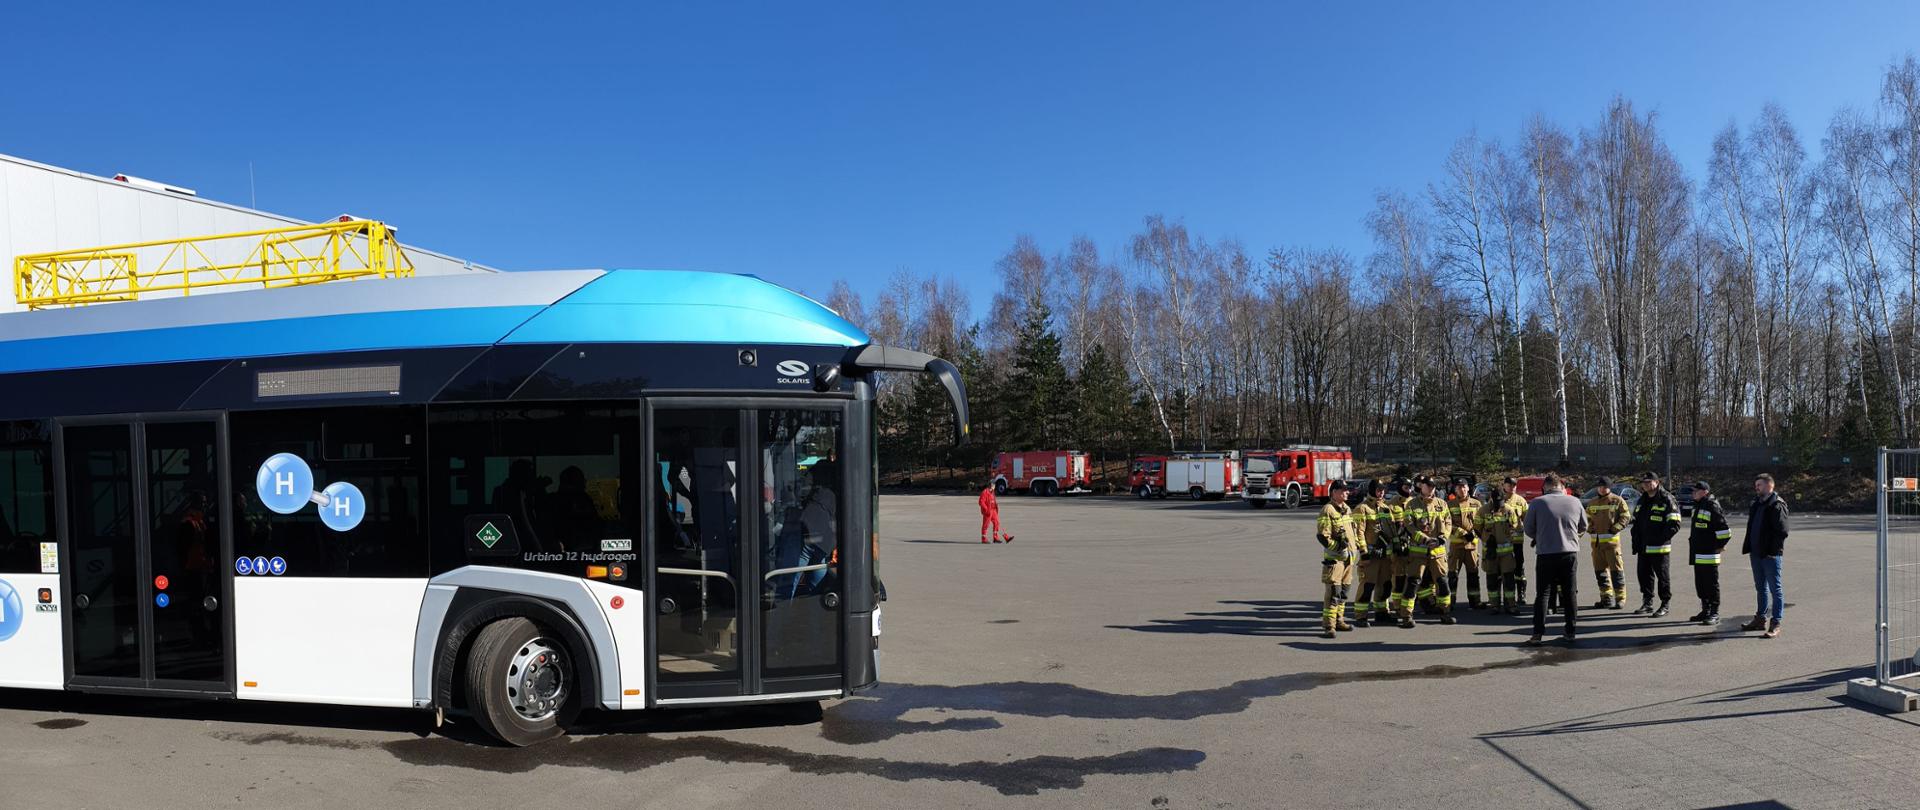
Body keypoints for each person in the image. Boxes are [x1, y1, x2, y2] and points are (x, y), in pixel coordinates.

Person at [1524, 472, 1587, 645]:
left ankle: (1537, 634)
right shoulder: (1575, 501)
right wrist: (1570, 537)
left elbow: (1528, 528)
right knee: (1569, 593)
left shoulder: (1537, 502)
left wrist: (1541, 536)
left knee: (1543, 594)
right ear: (1562, 486)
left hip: (1546, 554)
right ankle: (1570, 632)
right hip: (1569, 553)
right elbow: (1583, 526)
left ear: (1545, 487)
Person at [1396, 475, 1456, 627]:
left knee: (1442, 582)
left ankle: (1445, 612)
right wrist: (1425, 539)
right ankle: (1406, 616)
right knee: (1413, 583)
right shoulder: (1412, 504)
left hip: (1438, 552)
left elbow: (1448, 523)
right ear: (1421, 487)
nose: (1430, 489)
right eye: (1427, 486)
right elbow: (1409, 526)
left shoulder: (1442, 504)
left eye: (1432, 486)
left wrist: (1442, 538)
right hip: (1418, 553)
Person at [1741, 473, 1790, 637]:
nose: (1756, 488)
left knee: (1775, 589)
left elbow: (1782, 531)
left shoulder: (1777, 505)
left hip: (1770, 556)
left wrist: (1772, 552)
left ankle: (1775, 623)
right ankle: (1760, 619)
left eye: (1759, 485)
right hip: (1756, 554)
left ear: (1770, 485)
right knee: (1760, 588)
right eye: (1756, 485)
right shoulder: (1756, 504)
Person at [1629, 472, 1681, 617]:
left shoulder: (1667, 499)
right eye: (1644, 482)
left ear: (1657, 482)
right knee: (1644, 575)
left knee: (1662, 577)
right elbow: (1636, 522)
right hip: (1643, 546)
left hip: (1659, 547)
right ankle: (1647, 602)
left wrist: (1660, 539)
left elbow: (1674, 524)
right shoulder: (1642, 499)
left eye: (1649, 482)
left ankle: (1665, 604)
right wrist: (1636, 539)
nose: (1645, 484)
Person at [1314, 480, 1361, 638]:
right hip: (1335, 561)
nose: (1347, 493)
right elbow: (1323, 536)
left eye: (1347, 490)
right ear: (1334, 492)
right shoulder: (1327, 510)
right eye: (1343, 490)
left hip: (1349, 560)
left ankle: (1339, 620)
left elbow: (1352, 532)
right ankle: (1329, 626)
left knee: (1344, 593)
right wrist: (1338, 547)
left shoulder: (1346, 509)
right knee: (1334, 593)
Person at [1685, 480, 1731, 625]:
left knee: (1711, 584)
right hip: (1698, 553)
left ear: (1705, 492)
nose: (1693, 493)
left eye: (1696, 491)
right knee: (1700, 584)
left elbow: (1725, 531)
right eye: (1693, 491)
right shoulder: (1698, 505)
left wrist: (1718, 546)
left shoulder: (1712, 506)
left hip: (1709, 554)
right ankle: (1705, 610)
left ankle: (1714, 612)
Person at [1479, 477, 1528, 614]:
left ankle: (1511, 604)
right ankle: (1495, 605)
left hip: (1508, 550)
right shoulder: (1483, 510)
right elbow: (1477, 528)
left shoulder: (1510, 508)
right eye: (1509, 485)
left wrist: (1509, 537)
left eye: (1514, 485)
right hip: (1491, 551)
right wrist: (1486, 539)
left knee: (1510, 577)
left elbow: (1517, 525)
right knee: (1492, 578)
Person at [1585, 477, 1632, 609]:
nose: (1602, 489)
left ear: (1609, 487)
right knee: (1600, 573)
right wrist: (1590, 528)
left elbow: (1626, 516)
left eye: (1604, 487)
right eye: (1600, 487)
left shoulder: (1617, 500)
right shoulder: (1592, 502)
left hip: (1612, 545)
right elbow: (1586, 519)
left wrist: (1615, 529)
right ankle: (1606, 598)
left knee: (1616, 572)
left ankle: (1620, 599)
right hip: (1596, 545)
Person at [1350, 480, 1391, 628]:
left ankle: (1382, 612)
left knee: (1385, 585)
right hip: (1370, 556)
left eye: (1383, 490)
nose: (1381, 492)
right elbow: (1358, 532)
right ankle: (1360, 615)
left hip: (1385, 555)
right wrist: (1364, 552)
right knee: (1367, 586)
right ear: (1372, 490)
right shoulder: (1362, 508)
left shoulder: (1386, 508)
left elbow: (1390, 531)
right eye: (1378, 490)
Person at [1445, 479, 1485, 609]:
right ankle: (1450, 602)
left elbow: (1480, 521)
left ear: (1468, 488)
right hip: (1456, 546)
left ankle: (1475, 601)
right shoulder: (1449, 505)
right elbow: (1447, 524)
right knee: (1453, 575)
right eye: (1459, 487)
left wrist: (1473, 532)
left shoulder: (1476, 503)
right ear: (1455, 490)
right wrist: (1462, 533)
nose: (1462, 489)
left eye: (1464, 487)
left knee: (1473, 574)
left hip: (1472, 547)